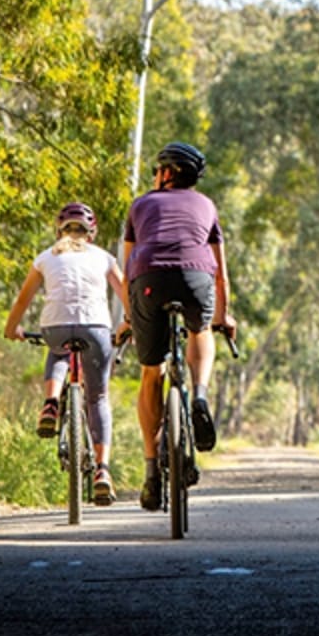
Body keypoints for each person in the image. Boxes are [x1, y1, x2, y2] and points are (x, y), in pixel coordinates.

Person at [121, 141, 235, 513]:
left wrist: (128, 318)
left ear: (166, 173)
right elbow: (221, 272)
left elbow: (128, 269)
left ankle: (152, 473)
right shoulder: (206, 205)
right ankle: (199, 394)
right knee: (200, 330)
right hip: (195, 276)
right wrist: (224, 315)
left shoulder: (141, 205)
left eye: (157, 170)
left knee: (150, 372)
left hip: (149, 279)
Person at [2, 202, 129, 506]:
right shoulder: (104, 258)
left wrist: (12, 328)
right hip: (96, 328)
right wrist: (129, 325)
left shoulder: (46, 257)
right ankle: (102, 471)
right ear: (92, 232)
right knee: (97, 398)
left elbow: (23, 300)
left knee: (58, 352)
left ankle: (49, 405)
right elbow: (127, 294)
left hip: (56, 327)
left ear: (59, 230)